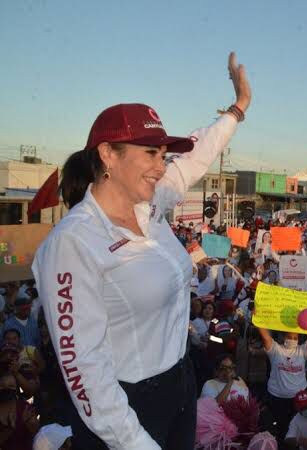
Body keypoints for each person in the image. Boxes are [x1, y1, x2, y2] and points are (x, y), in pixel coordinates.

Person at [31, 52, 251, 449]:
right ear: (108, 154)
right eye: (150, 153)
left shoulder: (149, 204)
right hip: (126, 408)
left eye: (163, 155)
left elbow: (196, 156)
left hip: (180, 383)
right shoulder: (73, 242)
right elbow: (84, 372)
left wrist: (238, 108)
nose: (161, 166)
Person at [256, 325, 307, 443]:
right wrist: (259, 321)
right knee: (281, 429)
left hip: (299, 400)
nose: (292, 340)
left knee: (300, 427)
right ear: (283, 337)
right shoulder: (275, 349)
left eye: (295, 338)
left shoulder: (302, 350)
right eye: (289, 337)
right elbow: (265, 337)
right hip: (277, 398)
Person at [0, 370, 39, 449]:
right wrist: (10, 428)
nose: (6, 389)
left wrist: (31, 425)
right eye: (2, 386)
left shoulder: (25, 408)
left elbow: (37, 435)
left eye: (11, 386)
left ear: (16, 389)